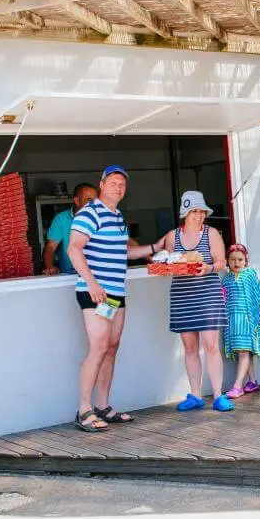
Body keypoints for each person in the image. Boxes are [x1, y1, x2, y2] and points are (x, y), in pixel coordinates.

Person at [67, 165, 162, 432]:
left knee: (112, 346)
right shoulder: (90, 213)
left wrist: (156, 247)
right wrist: (92, 283)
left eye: (122, 184)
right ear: (101, 184)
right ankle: (84, 410)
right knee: (98, 347)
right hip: (96, 293)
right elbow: (74, 249)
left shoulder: (117, 216)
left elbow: (125, 253)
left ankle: (104, 406)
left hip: (116, 294)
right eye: (113, 183)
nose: (118, 187)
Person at [156, 190, 232, 413]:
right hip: (182, 295)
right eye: (194, 211)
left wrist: (207, 268)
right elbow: (168, 261)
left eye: (201, 212)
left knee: (211, 346)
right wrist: (166, 267)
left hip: (208, 293)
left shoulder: (212, 234)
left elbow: (221, 262)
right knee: (189, 347)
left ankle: (219, 395)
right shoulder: (172, 237)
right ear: (185, 213)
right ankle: (195, 395)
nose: (198, 216)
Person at [220, 244, 260, 398]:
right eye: (233, 259)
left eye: (240, 259)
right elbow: (224, 300)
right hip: (233, 322)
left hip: (247, 321)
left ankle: (237, 386)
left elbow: (259, 294)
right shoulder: (226, 280)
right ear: (227, 260)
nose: (236, 262)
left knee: (243, 352)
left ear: (246, 260)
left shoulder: (249, 275)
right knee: (244, 353)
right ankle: (252, 381)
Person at [42, 183, 98, 276]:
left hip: (96, 275)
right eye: (89, 200)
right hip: (69, 277)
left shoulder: (101, 219)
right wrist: (49, 266)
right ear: (77, 201)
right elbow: (50, 247)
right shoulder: (61, 219)